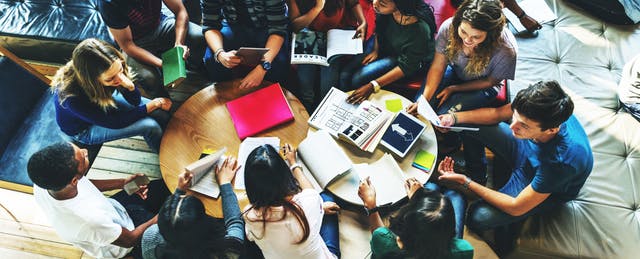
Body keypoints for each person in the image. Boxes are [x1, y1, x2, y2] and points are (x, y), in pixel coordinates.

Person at [434, 80, 593, 253]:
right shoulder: (535, 106)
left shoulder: (562, 162)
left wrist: (465, 182)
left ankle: (508, 228)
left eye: (523, 125)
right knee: (467, 122)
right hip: (524, 148)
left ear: (551, 130)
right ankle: (478, 171)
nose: (512, 127)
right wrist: (453, 118)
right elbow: (496, 113)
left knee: (477, 217)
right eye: (515, 118)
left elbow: (516, 207)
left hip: (541, 180)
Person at [28, 142, 170, 259]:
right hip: (125, 241)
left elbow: (85, 184)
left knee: (160, 186)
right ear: (73, 180)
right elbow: (130, 240)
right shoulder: (88, 221)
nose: (85, 151)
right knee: (175, 225)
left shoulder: (44, 183)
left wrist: (122, 183)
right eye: (83, 157)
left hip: (114, 210)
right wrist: (164, 213)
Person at [51, 39, 171, 153]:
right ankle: (162, 152)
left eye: (120, 69)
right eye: (111, 78)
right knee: (150, 126)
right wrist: (153, 104)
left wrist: (130, 87)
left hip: (101, 103)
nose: (119, 79)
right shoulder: (71, 98)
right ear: (92, 80)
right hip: (83, 129)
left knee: (160, 113)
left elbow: (135, 101)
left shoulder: (109, 67)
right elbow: (115, 122)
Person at [243, 144, 341, 258]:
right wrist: (294, 163)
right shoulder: (306, 203)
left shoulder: (249, 215)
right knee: (326, 197)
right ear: (284, 175)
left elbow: (250, 236)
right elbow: (310, 192)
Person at [141, 157, 245, 259]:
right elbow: (235, 223)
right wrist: (225, 183)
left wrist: (179, 190)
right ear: (204, 223)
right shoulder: (229, 249)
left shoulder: (151, 239)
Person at [100, 0, 205, 98]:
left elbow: (180, 11)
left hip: (161, 24)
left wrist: (179, 43)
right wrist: (163, 64)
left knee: (199, 36)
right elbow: (128, 45)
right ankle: (162, 98)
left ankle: (194, 67)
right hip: (136, 42)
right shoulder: (109, 4)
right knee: (148, 78)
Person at [340, 0, 437, 104]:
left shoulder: (420, 29)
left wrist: (373, 85)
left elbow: (407, 66)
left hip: (404, 58)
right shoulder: (383, 10)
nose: (375, 4)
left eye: (382, 3)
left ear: (401, 5)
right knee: (344, 74)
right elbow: (379, 29)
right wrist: (376, 50)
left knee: (358, 79)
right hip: (387, 45)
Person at [358, 177, 473, 259]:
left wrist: (371, 206)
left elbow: (379, 233)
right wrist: (417, 199)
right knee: (455, 196)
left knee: (432, 186)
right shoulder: (464, 250)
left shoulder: (384, 241)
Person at [288, 0, 367, 111]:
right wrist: (317, 7)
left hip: (333, 37)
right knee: (305, 82)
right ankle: (307, 111)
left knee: (328, 83)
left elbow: (353, 3)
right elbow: (295, 26)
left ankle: (325, 111)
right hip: (308, 36)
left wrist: (363, 22)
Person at [202, 0, 289, 89]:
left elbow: (277, 29)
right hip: (232, 23)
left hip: (265, 25)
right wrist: (220, 53)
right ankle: (225, 94)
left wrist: (263, 67)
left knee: (279, 61)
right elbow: (210, 24)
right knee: (210, 58)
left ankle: (275, 93)